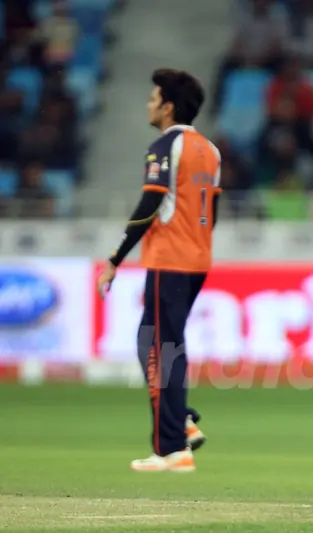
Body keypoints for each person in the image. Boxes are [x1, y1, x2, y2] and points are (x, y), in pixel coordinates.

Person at [96, 69, 223, 472]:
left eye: (154, 98)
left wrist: (115, 258)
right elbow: (212, 213)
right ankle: (180, 423)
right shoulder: (211, 150)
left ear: (168, 106)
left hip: (168, 259)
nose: (149, 104)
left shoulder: (165, 145)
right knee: (165, 345)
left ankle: (170, 447)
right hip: (197, 260)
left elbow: (149, 205)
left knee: (156, 348)